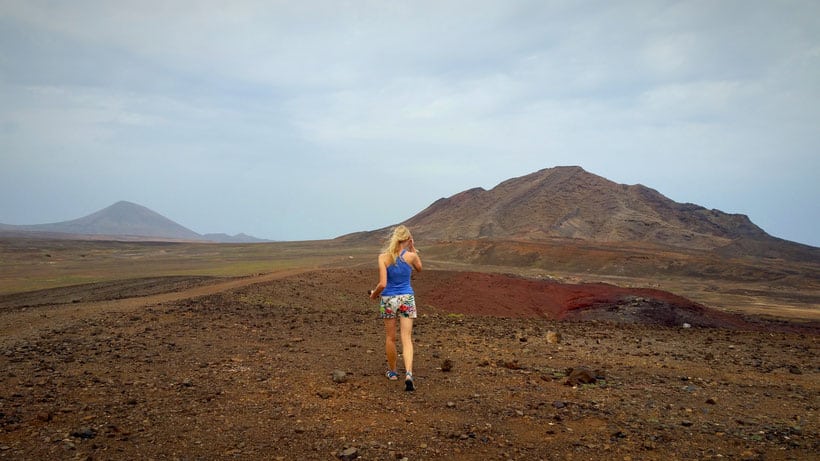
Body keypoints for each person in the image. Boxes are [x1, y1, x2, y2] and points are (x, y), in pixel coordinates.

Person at [369, 225, 423, 391]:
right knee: (406, 338)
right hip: (406, 298)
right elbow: (420, 269)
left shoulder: (383, 257)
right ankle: (408, 374)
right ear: (407, 239)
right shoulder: (411, 257)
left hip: (389, 299)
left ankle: (393, 372)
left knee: (390, 338)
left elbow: (383, 284)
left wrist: (373, 294)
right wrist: (412, 248)